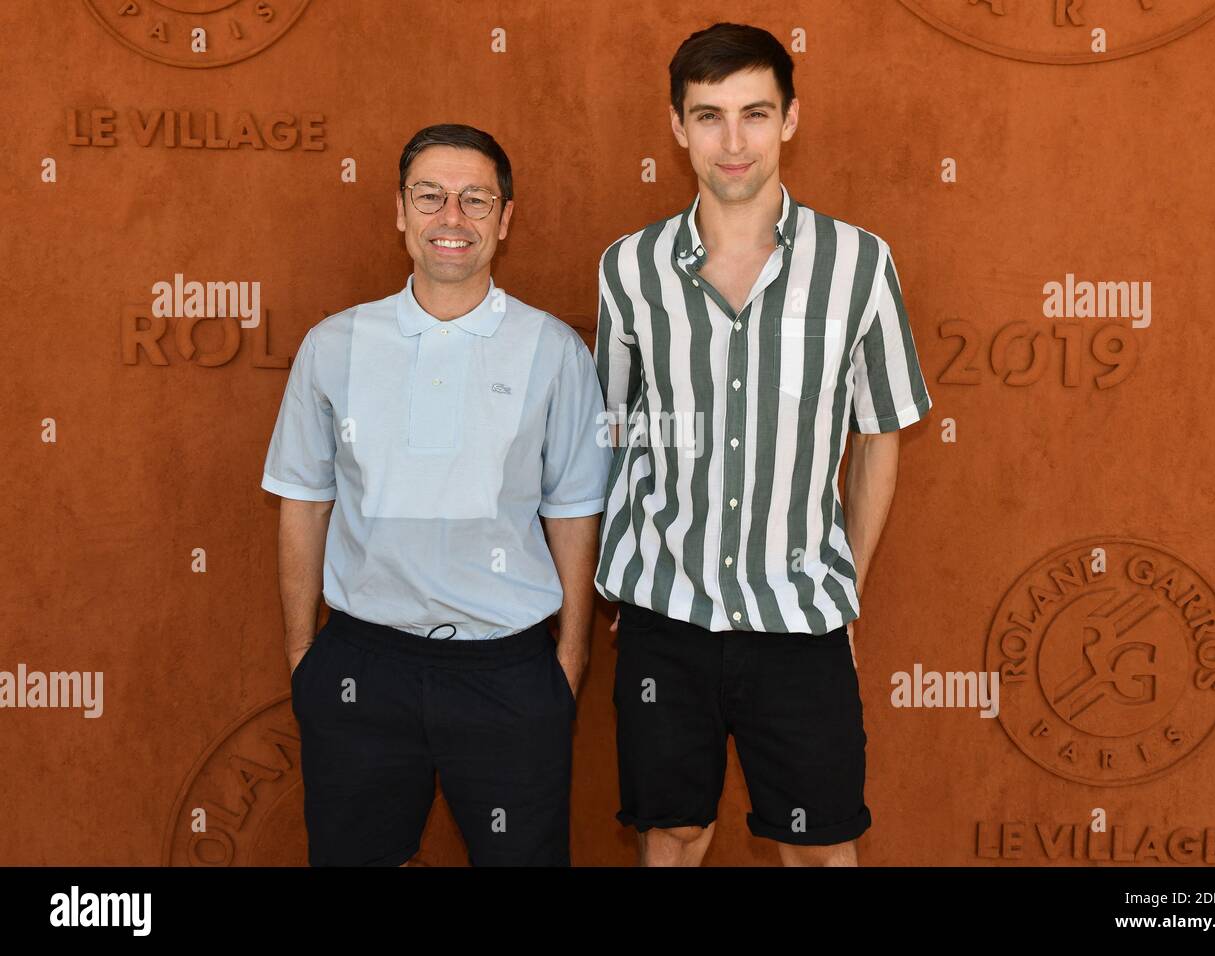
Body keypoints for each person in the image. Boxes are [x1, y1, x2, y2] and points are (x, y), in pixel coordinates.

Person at [594, 23, 933, 866]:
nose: (733, 141)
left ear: (790, 120)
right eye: (709, 116)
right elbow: (611, 434)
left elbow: (879, 438)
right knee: (672, 833)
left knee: (820, 848)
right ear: (677, 127)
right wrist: (614, 583)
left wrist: (843, 583)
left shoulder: (860, 264)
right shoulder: (628, 270)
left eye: (755, 112)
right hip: (663, 613)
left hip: (801, 618)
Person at [260, 123, 610, 866]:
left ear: (505, 219)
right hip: (361, 670)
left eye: (475, 199)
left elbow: (574, 514)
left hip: (509, 676)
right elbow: (303, 502)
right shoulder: (334, 345)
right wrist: (305, 656)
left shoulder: (555, 351)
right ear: (400, 211)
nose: (452, 218)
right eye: (431, 196)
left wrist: (569, 660)